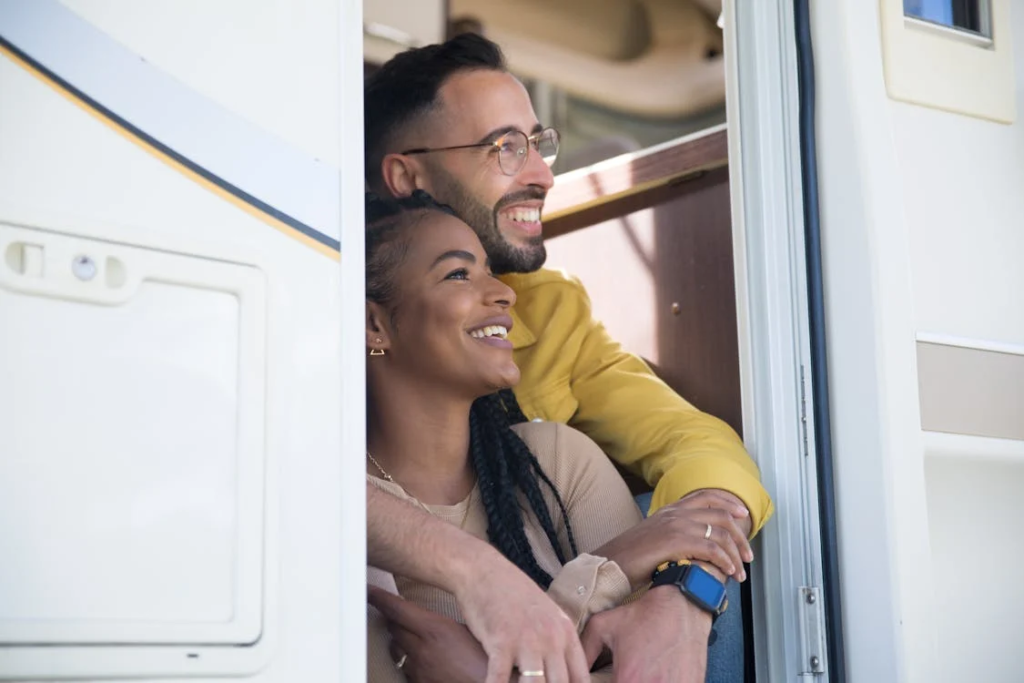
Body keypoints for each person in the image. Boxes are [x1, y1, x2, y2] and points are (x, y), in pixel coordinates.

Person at [363, 34, 775, 682]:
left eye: (539, 143)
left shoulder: (548, 312)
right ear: (406, 176)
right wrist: (474, 573)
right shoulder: (304, 319)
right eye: (506, 148)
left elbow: (694, 440)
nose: (542, 174)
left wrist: (685, 592)